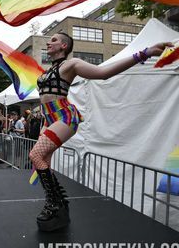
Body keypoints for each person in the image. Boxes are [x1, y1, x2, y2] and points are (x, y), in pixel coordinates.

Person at [29, 32, 173, 232]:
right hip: (49, 118)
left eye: (53, 40)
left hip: (64, 117)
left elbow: (104, 72)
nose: (48, 42)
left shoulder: (71, 64)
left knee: (35, 155)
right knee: (42, 161)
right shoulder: (49, 69)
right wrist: (43, 126)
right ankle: (54, 204)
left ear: (64, 45)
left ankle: (58, 202)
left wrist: (145, 53)